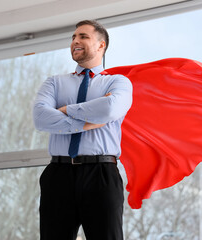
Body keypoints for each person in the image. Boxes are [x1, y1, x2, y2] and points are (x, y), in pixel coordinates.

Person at [33, 19, 133, 240]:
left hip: (101, 174)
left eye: (83, 37)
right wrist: (87, 121)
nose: (75, 41)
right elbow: (40, 117)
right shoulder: (54, 83)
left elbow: (109, 109)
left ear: (101, 45)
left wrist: (66, 109)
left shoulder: (118, 83)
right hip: (58, 173)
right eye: (73, 37)